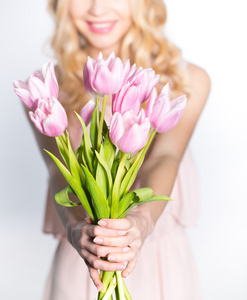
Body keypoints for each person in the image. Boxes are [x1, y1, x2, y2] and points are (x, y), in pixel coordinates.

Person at [25, 0, 211, 299]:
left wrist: (141, 223)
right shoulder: (48, 89)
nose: (97, 9)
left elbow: (166, 156)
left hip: (156, 252)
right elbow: (58, 172)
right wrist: (76, 231)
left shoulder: (186, 81)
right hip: (84, 252)